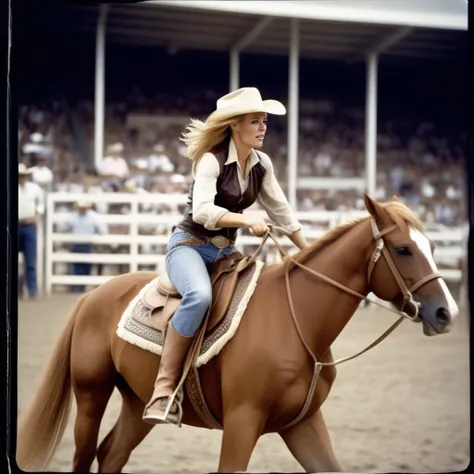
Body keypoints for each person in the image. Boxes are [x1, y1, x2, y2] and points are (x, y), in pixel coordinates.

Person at [142, 87, 309, 426]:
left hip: (225, 253)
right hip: (188, 245)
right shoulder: (210, 159)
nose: (263, 127)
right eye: (255, 121)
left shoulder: (262, 164)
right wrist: (247, 219)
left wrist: (307, 252)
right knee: (200, 296)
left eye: (264, 121)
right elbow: (203, 211)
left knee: (257, 297)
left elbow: (282, 211)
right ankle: (163, 390)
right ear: (235, 125)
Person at [18, 163, 45, 299]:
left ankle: (32, 290)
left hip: (29, 225)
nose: (21, 177)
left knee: (30, 261)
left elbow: (40, 204)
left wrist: (37, 217)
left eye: (23, 175)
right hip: (16, 225)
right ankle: (16, 290)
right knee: (12, 261)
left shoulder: (34, 189)